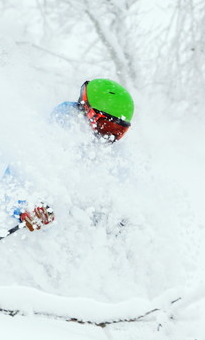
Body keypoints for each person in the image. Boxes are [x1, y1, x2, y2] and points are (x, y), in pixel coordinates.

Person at [10, 78, 135, 232]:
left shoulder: (117, 155)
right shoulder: (53, 134)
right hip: (44, 235)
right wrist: (24, 208)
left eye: (118, 131)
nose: (108, 136)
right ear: (86, 110)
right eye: (105, 125)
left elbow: (124, 194)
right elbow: (15, 177)